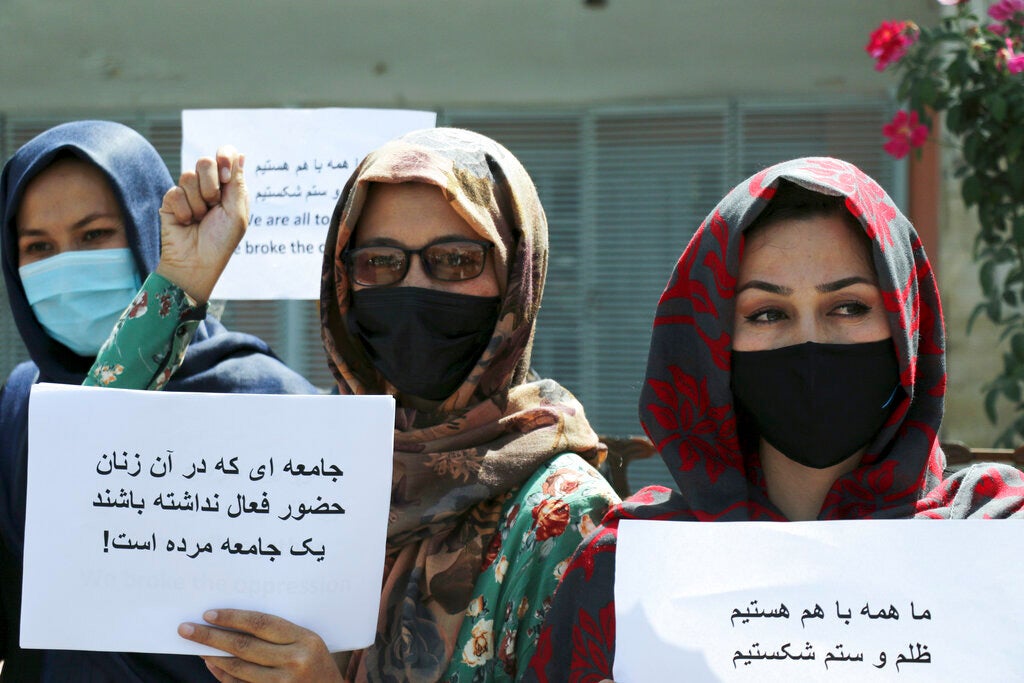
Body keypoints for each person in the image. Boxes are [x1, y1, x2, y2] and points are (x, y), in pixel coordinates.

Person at [94, 127, 619, 682]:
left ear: (517, 274)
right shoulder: (304, 469)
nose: (415, 287)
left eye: (455, 260)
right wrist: (183, 279)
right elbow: (87, 473)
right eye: (380, 262)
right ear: (344, 280)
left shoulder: (563, 516)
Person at [526, 157, 1024, 681]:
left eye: (849, 307)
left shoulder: (998, 537)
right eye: (767, 313)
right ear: (712, 345)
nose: (811, 344)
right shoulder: (621, 578)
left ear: (906, 322)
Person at [0, 120, 317, 682]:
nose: (66, 266)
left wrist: (179, 286)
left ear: (149, 229)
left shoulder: (268, 399)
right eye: (38, 247)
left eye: (94, 235)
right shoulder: (22, 402)